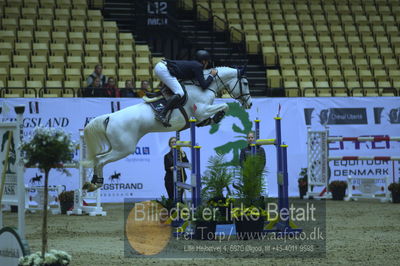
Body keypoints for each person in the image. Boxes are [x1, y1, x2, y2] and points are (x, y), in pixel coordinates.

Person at [153, 50, 218, 127]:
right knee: (180, 92)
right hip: (163, 69)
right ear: (203, 61)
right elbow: (204, 85)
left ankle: (157, 95)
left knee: (176, 87)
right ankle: (162, 114)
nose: (207, 64)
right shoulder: (198, 66)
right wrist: (211, 75)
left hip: (162, 66)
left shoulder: (195, 64)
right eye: (207, 62)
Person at [164, 137, 188, 201]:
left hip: (181, 178)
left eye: (175, 142)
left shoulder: (182, 153)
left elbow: (186, 163)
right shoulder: (167, 156)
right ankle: (172, 210)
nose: (174, 143)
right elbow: (167, 168)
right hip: (170, 180)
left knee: (180, 198)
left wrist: (182, 153)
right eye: (172, 142)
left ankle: (180, 210)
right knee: (172, 198)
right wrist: (174, 168)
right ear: (170, 144)